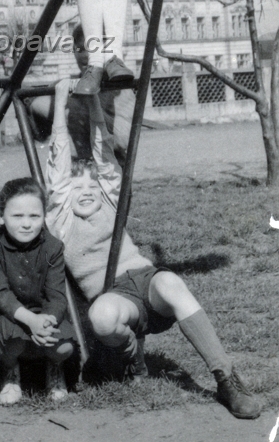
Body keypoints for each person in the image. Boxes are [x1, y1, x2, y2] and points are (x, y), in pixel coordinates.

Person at [43, 78, 261, 420]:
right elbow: (56, 160)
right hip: (115, 299)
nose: (85, 191)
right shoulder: (61, 219)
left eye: (90, 183)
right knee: (100, 317)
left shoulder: (106, 201)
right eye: (76, 185)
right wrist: (58, 99)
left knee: (171, 282)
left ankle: (225, 378)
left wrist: (93, 99)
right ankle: (133, 356)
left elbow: (104, 149)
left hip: (145, 281)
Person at [0, 178, 75, 406]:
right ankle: (10, 373)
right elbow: (0, 293)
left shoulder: (52, 247)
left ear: (44, 216)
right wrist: (30, 320)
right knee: (11, 341)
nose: (26, 224)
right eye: (17, 216)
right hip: (8, 314)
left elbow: (57, 295)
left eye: (34, 216)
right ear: (1, 216)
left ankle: (54, 367)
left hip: (43, 314)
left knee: (64, 347)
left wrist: (47, 321)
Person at [27, 23, 134, 165]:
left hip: (110, 170)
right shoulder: (64, 85)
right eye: (80, 49)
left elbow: (122, 140)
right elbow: (39, 134)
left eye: (92, 49)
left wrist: (73, 109)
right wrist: (30, 103)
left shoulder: (119, 90)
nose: (85, 55)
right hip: (73, 172)